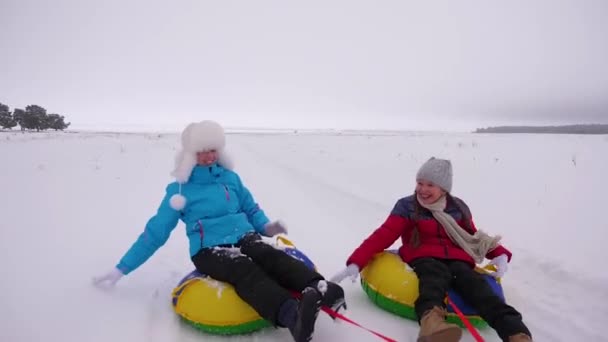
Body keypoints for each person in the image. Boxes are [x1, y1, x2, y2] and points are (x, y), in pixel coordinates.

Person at [92, 120, 345, 342]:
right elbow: (154, 233)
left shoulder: (230, 178)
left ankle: (321, 289)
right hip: (209, 249)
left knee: (269, 256)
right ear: (190, 154)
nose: (209, 156)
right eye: (202, 151)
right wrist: (121, 269)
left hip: (245, 236)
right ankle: (293, 317)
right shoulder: (179, 191)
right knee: (244, 269)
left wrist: (266, 227)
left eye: (212, 150)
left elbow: (250, 207)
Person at [330, 157, 532, 342]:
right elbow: (384, 234)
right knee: (433, 281)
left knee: (478, 288)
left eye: (430, 185)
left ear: (444, 189)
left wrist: (499, 253)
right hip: (423, 256)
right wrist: (357, 261)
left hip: (458, 258)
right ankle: (433, 327)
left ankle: (516, 333)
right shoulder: (407, 206)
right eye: (420, 183)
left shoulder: (457, 207)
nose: (422, 189)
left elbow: (473, 236)